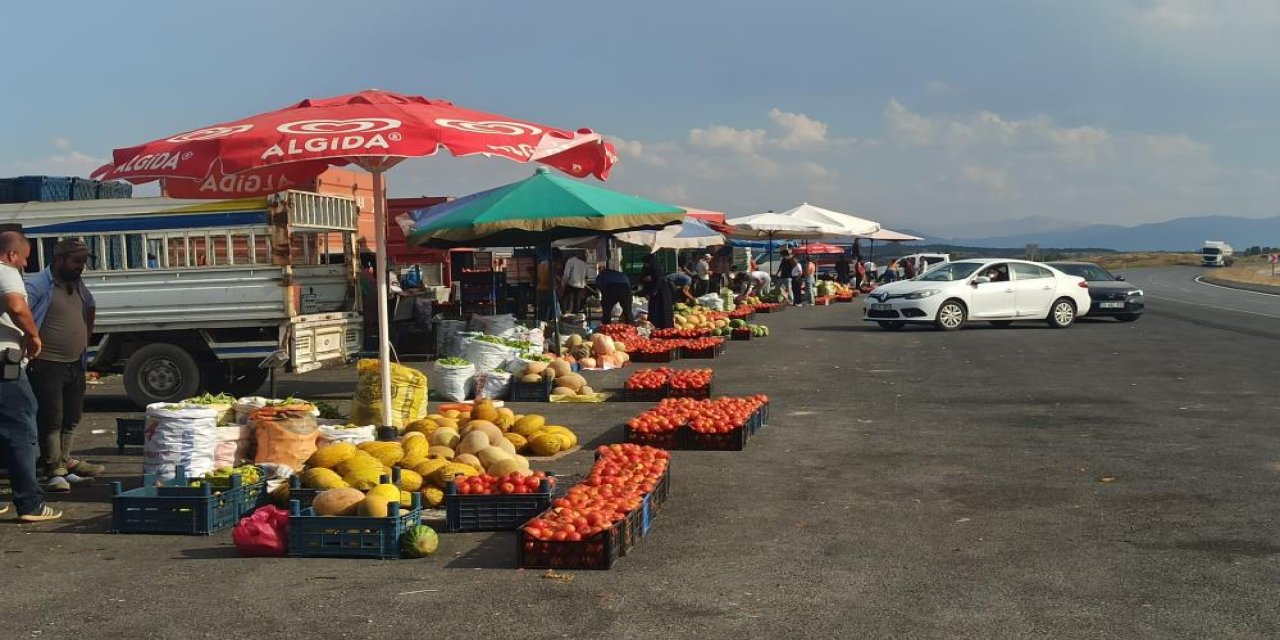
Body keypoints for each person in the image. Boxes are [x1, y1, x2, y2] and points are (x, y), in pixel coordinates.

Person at [25, 238, 103, 491]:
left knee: (71, 417)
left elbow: (90, 307)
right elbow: (20, 315)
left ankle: (64, 464)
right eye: (76, 261)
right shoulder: (38, 285)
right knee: (52, 418)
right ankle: (53, 472)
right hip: (46, 363)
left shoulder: (77, 284)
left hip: (74, 362)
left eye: (83, 261)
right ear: (59, 260)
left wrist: (84, 340)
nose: (81, 267)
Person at [0, 229, 63, 521]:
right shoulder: (6, 271)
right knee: (22, 428)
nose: (26, 265)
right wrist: (33, 335)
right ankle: (30, 504)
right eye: (24, 258)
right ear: (12, 254)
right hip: (4, 362)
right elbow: (16, 305)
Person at [639, 253, 674, 329]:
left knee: (663, 309)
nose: (646, 265)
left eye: (647, 263)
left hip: (661, 292)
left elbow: (658, 279)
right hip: (654, 292)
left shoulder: (656, 269)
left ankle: (664, 326)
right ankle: (654, 325)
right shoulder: (646, 268)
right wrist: (645, 279)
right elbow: (641, 278)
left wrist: (654, 289)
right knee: (654, 310)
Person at [594, 260, 633, 325]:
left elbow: (599, 287)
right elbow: (629, 286)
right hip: (625, 288)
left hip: (611, 288)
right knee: (628, 311)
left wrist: (604, 299)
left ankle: (606, 326)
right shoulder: (620, 274)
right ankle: (631, 327)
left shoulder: (601, 275)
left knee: (607, 311)